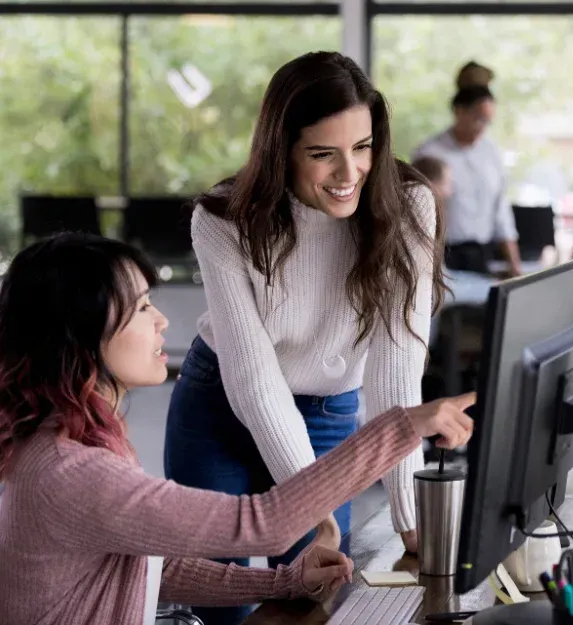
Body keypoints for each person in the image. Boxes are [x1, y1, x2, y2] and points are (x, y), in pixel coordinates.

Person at [0, 233, 475, 625]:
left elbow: (147, 568)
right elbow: (263, 525)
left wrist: (283, 583)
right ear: (81, 332)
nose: (162, 320)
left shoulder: (82, 436)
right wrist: (404, 425)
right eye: (142, 307)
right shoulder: (70, 470)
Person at [163, 51, 448, 625]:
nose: (349, 174)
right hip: (219, 406)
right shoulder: (223, 220)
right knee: (221, 602)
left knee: (311, 598)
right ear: (281, 150)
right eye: (323, 155)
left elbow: (397, 364)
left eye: (363, 148)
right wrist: (313, 503)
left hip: (326, 414)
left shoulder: (409, 206)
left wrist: (409, 516)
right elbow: (255, 382)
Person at [412, 61, 522, 277]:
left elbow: (501, 211)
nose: (482, 129)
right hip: (442, 256)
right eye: (478, 119)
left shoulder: (491, 152)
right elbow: (418, 213)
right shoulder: (430, 154)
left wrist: (514, 264)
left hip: (483, 255)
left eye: (488, 122)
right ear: (459, 111)